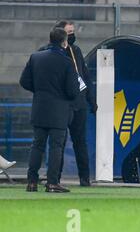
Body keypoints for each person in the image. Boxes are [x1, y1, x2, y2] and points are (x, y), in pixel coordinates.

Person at [20, 28, 80, 193]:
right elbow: (73, 91)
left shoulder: (36, 58)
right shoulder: (67, 62)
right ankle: (52, 183)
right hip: (59, 111)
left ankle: (31, 182)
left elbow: (24, 81)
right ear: (64, 42)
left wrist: (40, 91)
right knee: (56, 146)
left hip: (40, 107)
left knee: (37, 145)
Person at [53, 20, 96, 186]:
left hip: (79, 104)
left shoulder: (76, 51)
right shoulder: (54, 52)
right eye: (68, 32)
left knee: (80, 143)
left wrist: (91, 100)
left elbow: (85, 77)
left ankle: (84, 179)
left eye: (73, 32)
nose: (72, 35)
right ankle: (55, 178)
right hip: (63, 105)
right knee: (60, 142)